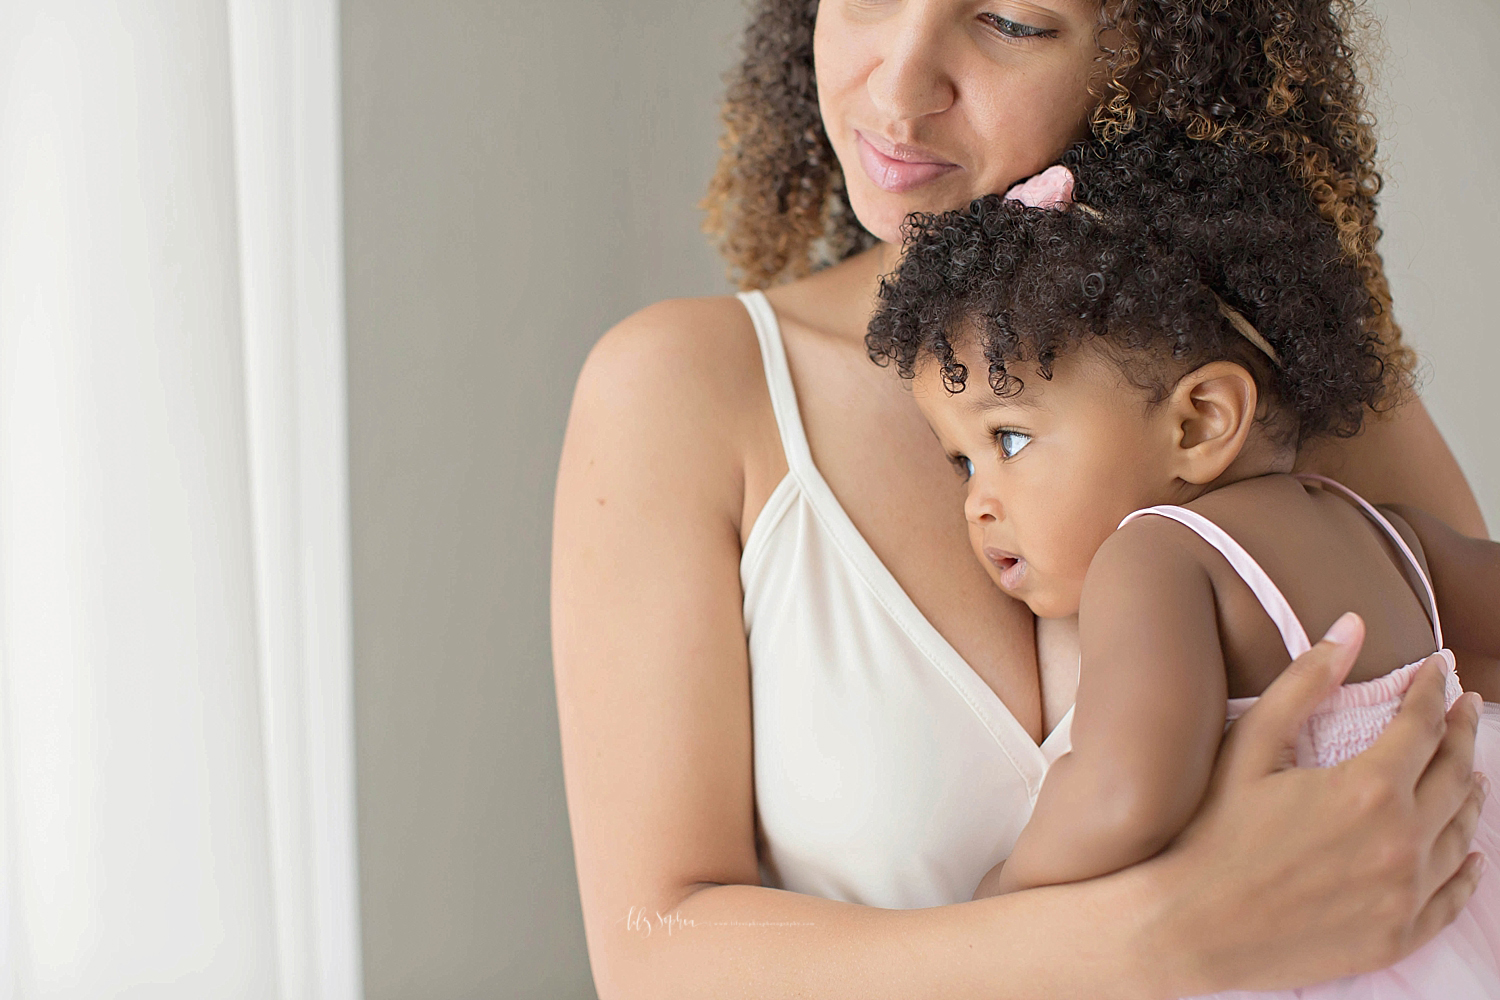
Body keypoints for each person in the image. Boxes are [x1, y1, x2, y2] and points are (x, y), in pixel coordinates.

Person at [551, 2, 1489, 996]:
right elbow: (650, 953)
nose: (900, 87)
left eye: (1008, 21)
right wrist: (1158, 934)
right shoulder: (683, 390)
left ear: (1161, 52)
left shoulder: (1282, 385)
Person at [866, 126, 1500, 996]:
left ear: (1200, 421)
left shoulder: (1156, 556)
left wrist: (1003, 896)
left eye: (1009, 437)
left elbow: (1128, 796)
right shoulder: (1388, 532)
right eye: (961, 461)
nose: (976, 500)